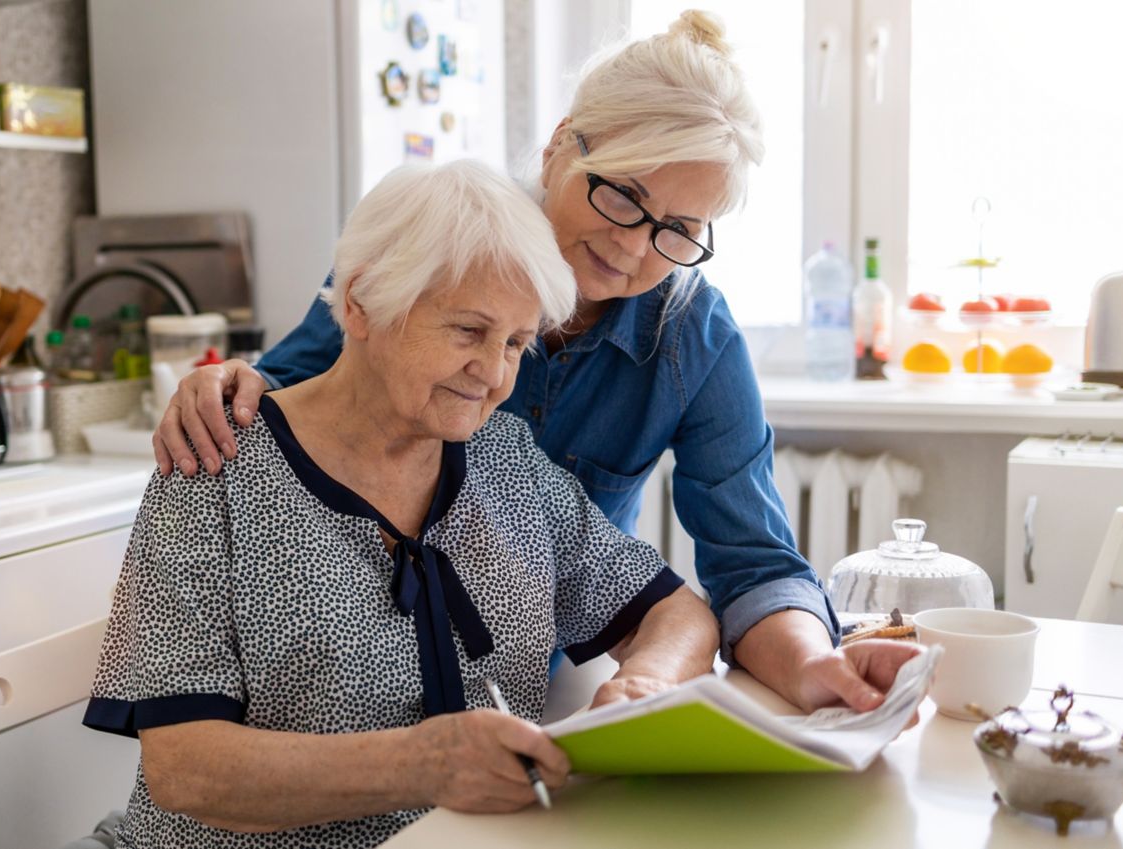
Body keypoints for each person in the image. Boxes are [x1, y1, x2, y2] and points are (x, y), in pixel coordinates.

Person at [151, 10, 922, 714]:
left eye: (676, 228)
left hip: (530, 683)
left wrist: (814, 663)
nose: (629, 245)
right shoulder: (431, 247)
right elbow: (290, 398)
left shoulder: (693, 337)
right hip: (344, 683)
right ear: (560, 145)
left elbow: (752, 564)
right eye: (622, 194)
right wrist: (224, 385)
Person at [83, 159, 718, 847]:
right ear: (359, 302)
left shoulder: (505, 459)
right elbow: (185, 768)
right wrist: (421, 764)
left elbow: (673, 611)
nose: (494, 373)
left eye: (515, 342)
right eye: (468, 331)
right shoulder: (216, 465)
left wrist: (646, 685)